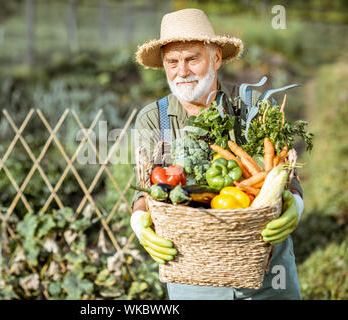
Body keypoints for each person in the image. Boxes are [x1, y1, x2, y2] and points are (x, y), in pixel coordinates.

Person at [130, 8, 304, 300]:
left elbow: (286, 172)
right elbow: (144, 189)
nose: (181, 71)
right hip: (194, 279)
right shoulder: (152, 118)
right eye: (172, 62)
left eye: (192, 59)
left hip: (267, 272)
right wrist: (140, 223)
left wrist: (295, 204)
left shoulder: (254, 105)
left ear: (217, 58)